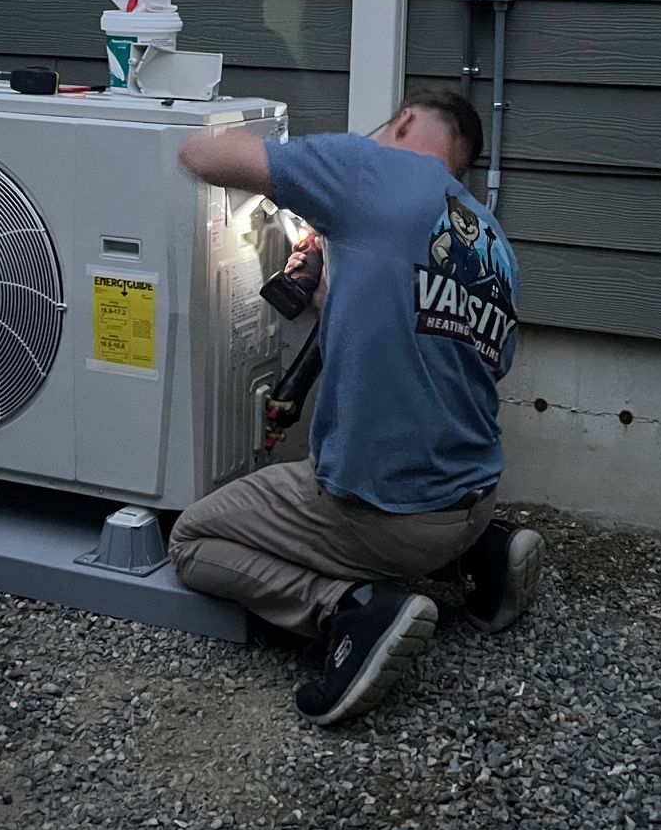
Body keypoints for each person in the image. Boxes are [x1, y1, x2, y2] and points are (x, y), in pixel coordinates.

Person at [169, 88, 544, 726]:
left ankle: (352, 606)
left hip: (382, 516)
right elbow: (441, 344)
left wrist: (261, 145)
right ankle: (482, 555)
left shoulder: (370, 170)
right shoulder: (491, 241)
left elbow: (200, 154)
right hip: (471, 498)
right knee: (433, 517)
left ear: (402, 122)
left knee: (192, 539)